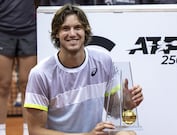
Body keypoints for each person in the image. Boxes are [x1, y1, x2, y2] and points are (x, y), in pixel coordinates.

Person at [24, 4, 143, 135]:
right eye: (65, 29)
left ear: (85, 31)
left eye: (78, 28)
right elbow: (35, 131)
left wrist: (126, 104)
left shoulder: (103, 61)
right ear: (57, 34)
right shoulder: (40, 74)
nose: (72, 33)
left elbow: (113, 111)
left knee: (128, 134)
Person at [0, 1, 37, 135]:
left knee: (27, 85)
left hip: (29, 31)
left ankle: (28, 131)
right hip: (2, 31)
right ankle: (1, 130)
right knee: (2, 85)